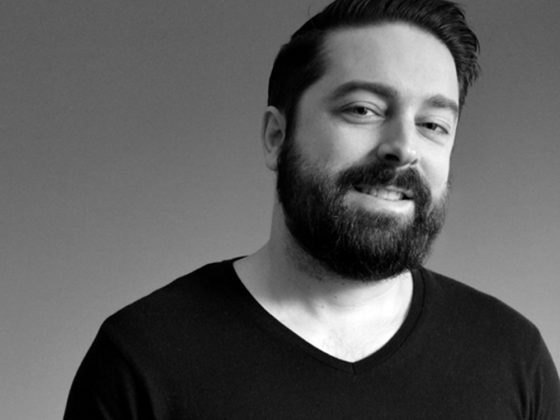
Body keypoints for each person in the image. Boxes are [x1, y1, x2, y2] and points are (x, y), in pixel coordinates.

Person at [64, 0, 560, 418]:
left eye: (433, 124)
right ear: (276, 137)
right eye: (363, 110)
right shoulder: (143, 359)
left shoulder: (514, 358)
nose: (404, 147)